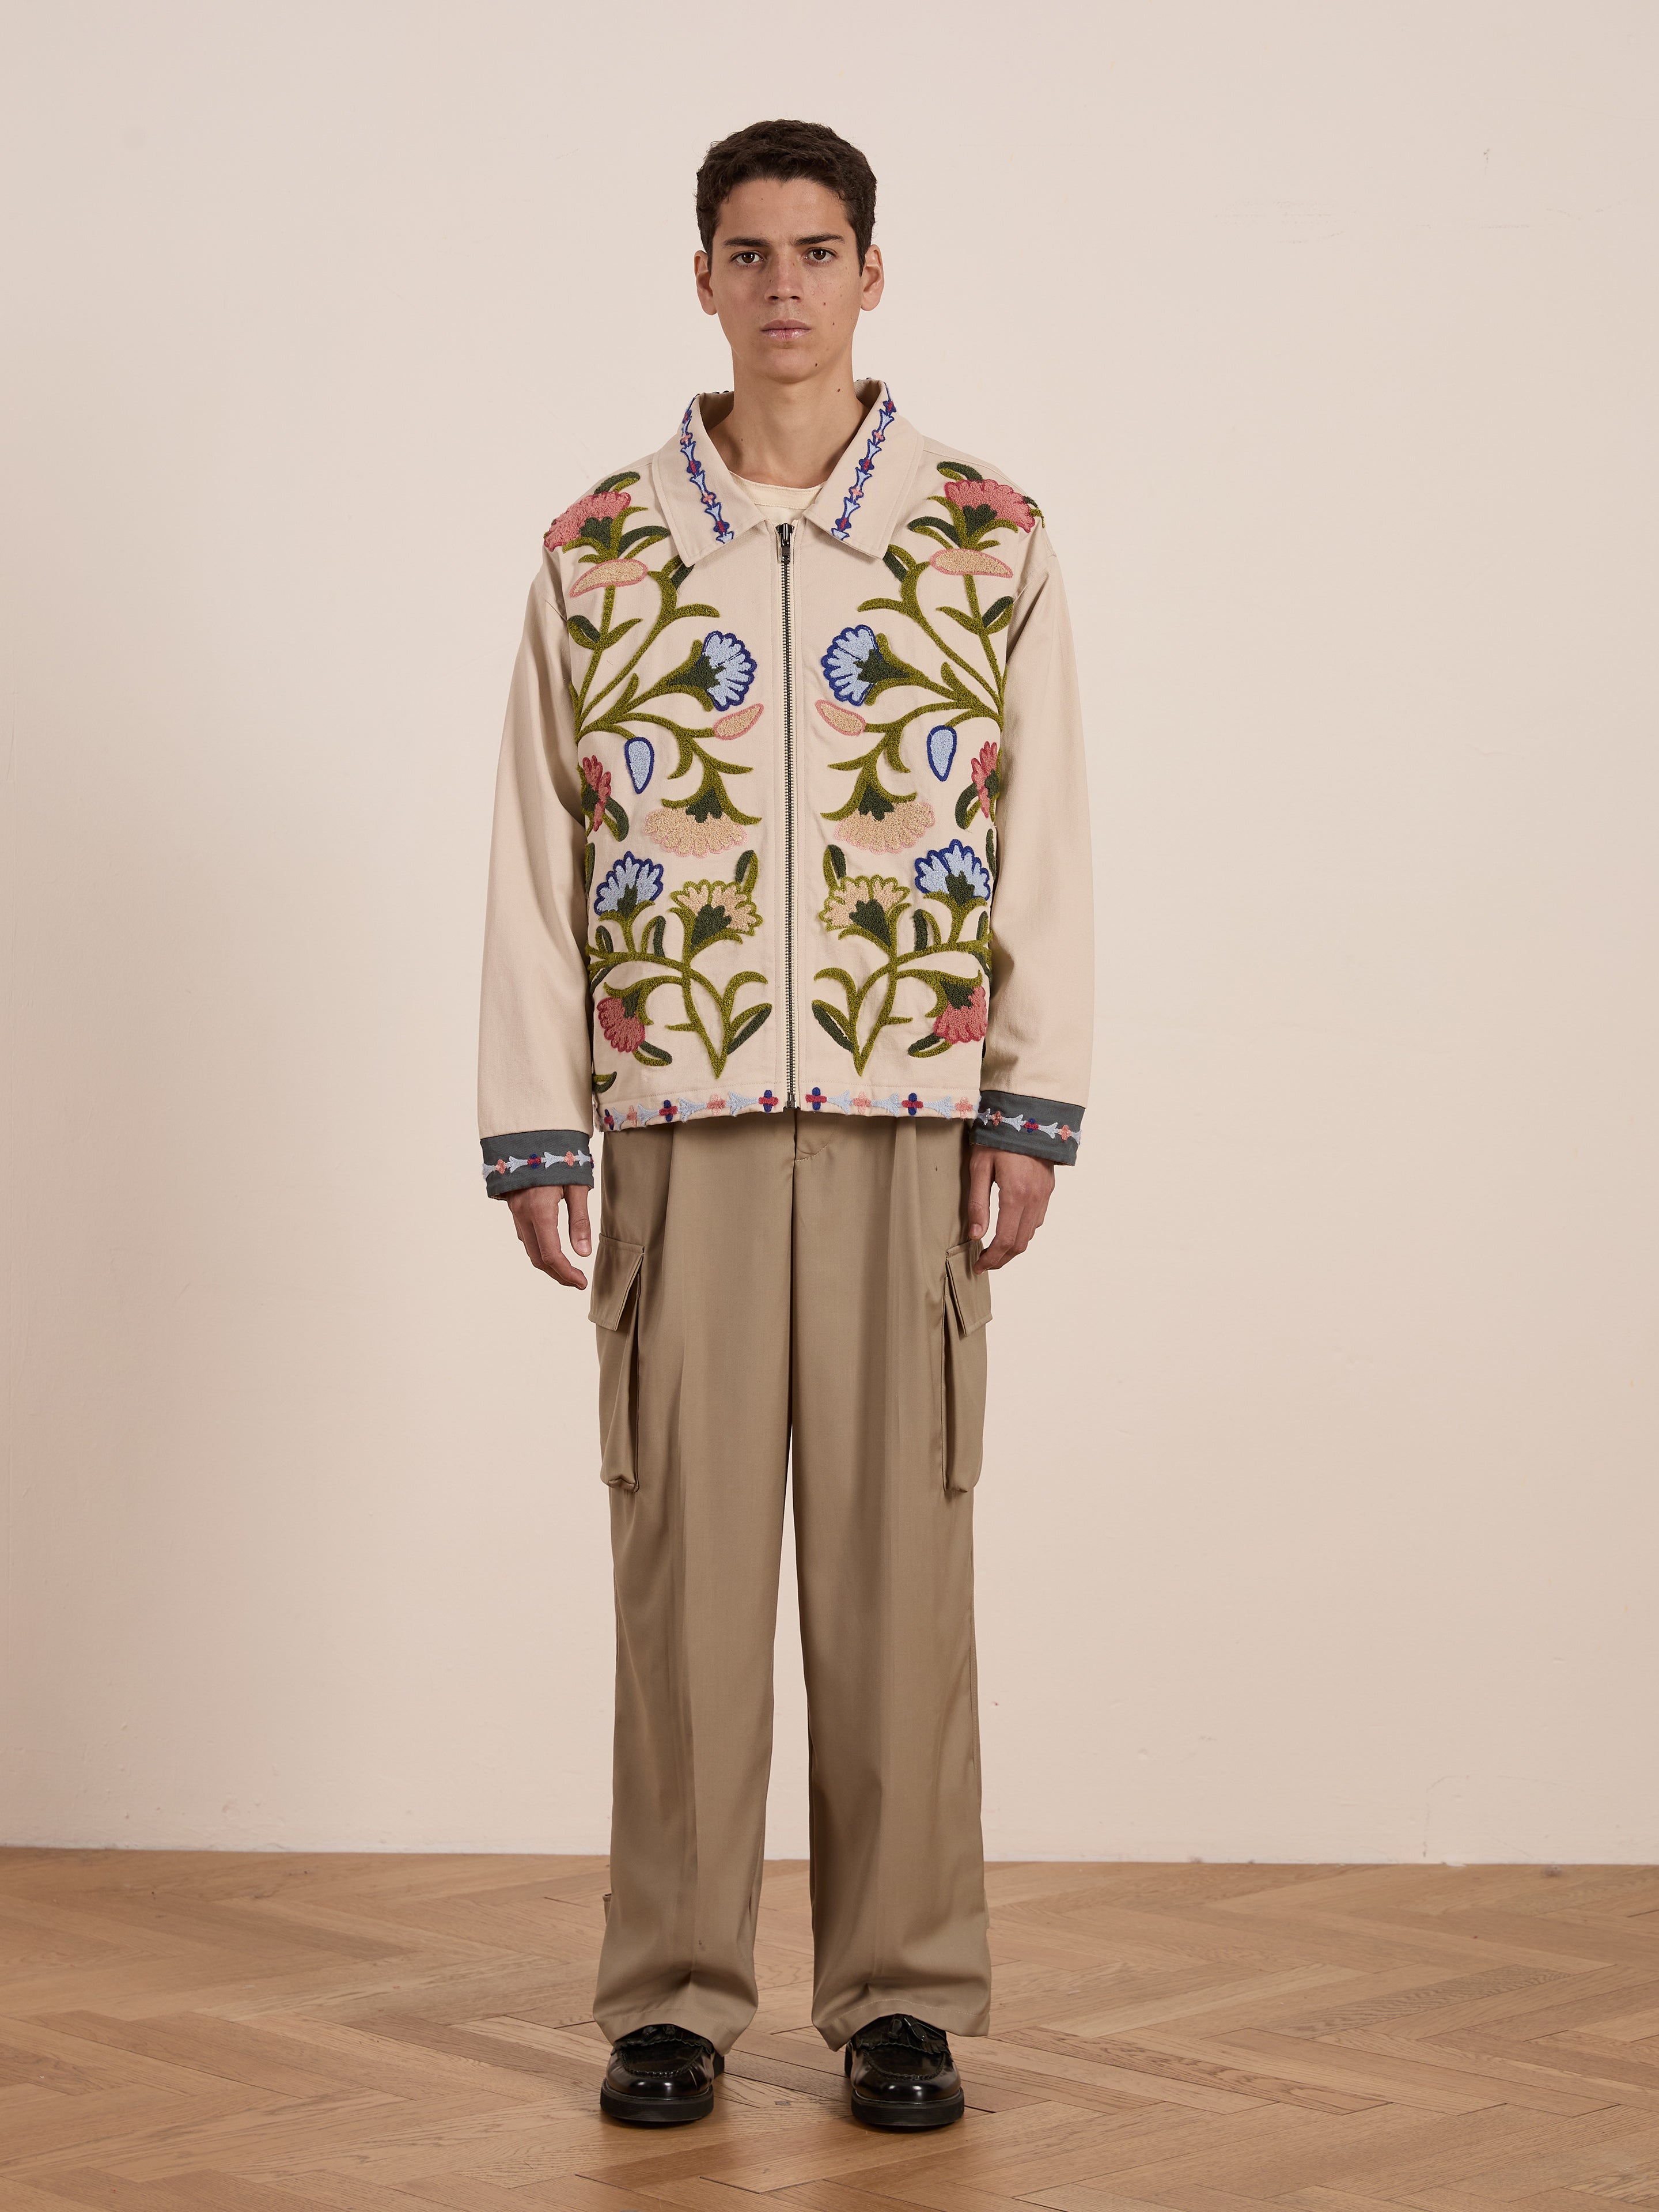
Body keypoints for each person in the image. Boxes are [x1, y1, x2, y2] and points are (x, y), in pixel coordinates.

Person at [477, 118, 1093, 2131]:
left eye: (817, 250)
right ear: (704, 277)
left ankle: (900, 1996)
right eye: (748, 253)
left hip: (914, 1115)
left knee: (904, 1578)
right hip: (680, 1121)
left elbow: (1045, 832)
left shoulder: (984, 537)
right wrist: (539, 1124)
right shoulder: (599, 549)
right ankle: (669, 1996)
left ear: (873, 271)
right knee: (684, 1581)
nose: (784, 288)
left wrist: (1032, 1096)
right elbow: (529, 856)